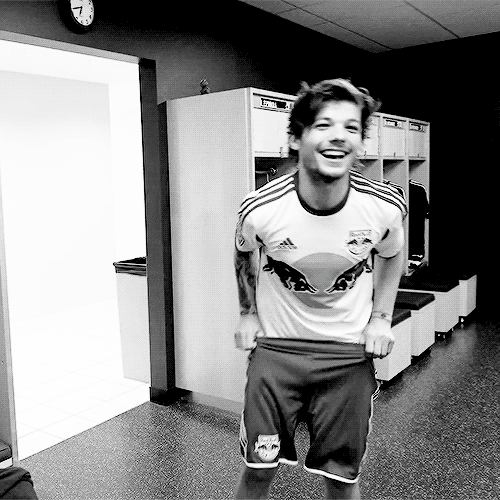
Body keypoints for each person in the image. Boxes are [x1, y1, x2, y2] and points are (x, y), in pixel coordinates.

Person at [233, 78, 407, 500]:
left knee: (342, 479)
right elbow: (243, 251)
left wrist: (381, 317)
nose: (339, 136)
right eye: (324, 125)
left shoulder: (384, 207)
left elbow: (392, 254)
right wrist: (248, 313)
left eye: (351, 128)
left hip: (347, 357)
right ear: (296, 138)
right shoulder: (261, 209)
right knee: (258, 471)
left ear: (360, 143)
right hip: (277, 354)